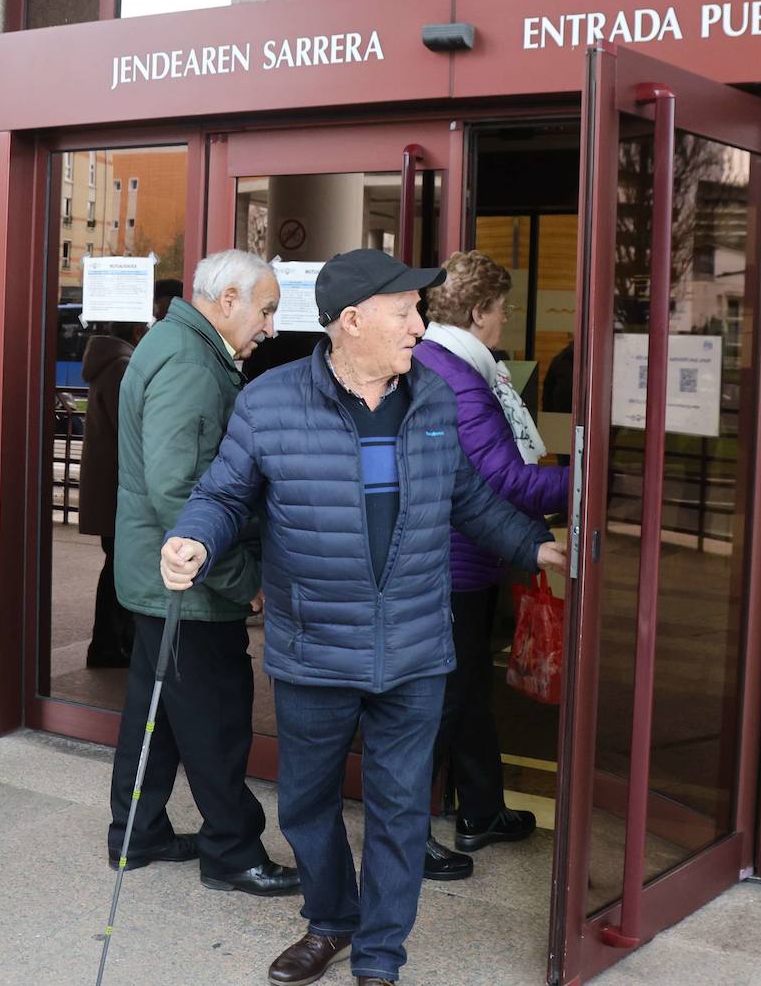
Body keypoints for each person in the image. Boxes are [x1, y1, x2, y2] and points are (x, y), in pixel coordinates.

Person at [160, 247, 566, 986]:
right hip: (315, 646)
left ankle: (380, 953)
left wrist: (536, 549)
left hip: (412, 647)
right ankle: (331, 921)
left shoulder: (435, 399)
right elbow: (223, 494)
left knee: (402, 811)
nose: (420, 325)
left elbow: (469, 499)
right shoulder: (271, 401)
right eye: (406, 311)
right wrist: (192, 537)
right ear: (353, 321)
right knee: (308, 806)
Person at [108, 249, 299, 899]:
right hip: (187, 587)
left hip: (158, 580)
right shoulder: (192, 364)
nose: (271, 326)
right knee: (217, 717)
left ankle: (137, 832)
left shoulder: (176, 343)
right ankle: (232, 850)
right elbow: (179, 490)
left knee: (153, 713)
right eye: (265, 310)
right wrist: (240, 573)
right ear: (227, 302)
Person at [411, 250, 569, 881]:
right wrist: (591, 483)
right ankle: (407, 835)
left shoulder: (454, 364)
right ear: (479, 312)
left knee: (468, 689)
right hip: (450, 563)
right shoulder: (457, 377)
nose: (506, 320)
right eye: (503, 309)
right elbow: (504, 479)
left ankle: (480, 810)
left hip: (462, 560)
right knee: (442, 700)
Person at [78, 321, 140, 668]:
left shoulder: (110, 363)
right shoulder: (121, 367)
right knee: (120, 570)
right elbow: (130, 431)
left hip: (109, 488)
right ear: (135, 334)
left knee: (116, 566)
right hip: (119, 490)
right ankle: (108, 645)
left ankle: (110, 644)